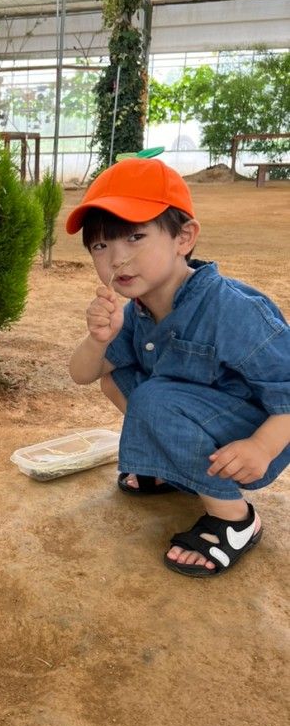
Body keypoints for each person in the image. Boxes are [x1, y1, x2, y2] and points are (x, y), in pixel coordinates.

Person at [67, 157, 290, 577]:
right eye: (100, 245)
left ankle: (235, 519)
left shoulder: (231, 310)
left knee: (154, 396)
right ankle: (174, 468)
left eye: (135, 237)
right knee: (118, 377)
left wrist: (261, 447)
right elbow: (84, 374)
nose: (116, 258)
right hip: (203, 422)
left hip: (258, 438)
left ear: (183, 237)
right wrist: (98, 339)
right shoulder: (137, 310)